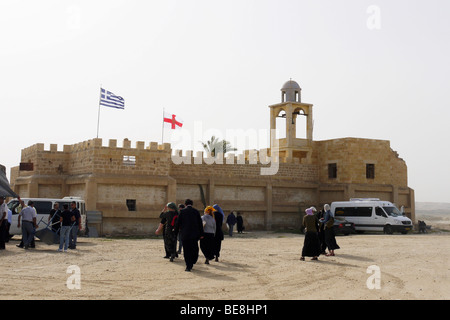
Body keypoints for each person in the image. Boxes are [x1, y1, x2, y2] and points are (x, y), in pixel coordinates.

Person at [174, 199, 204, 272]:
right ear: (192, 204)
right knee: (194, 248)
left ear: (185, 204)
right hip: (194, 234)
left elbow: (178, 223)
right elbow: (200, 224)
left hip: (185, 234)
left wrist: (175, 232)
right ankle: (193, 260)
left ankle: (188, 266)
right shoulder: (196, 212)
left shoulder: (182, 212)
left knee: (186, 250)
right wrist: (201, 234)